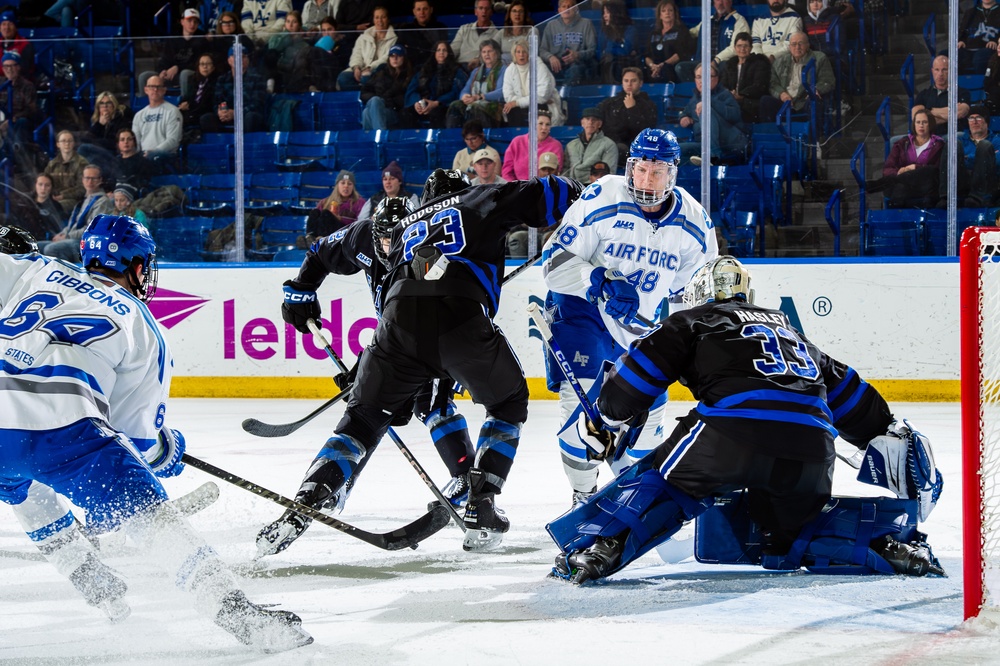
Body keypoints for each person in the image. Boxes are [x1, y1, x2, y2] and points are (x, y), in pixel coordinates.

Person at [0, 214, 313, 650]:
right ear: (138, 267)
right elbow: (138, 439)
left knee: (20, 480)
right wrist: (164, 452)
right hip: (64, 428)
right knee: (150, 519)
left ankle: (84, 572)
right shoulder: (143, 325)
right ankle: (236, 613)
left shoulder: (37, 269)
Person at [550, 256, 944, 584]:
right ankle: (885, 541)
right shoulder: (791, 332)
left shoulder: (690, 320)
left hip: (727, 435)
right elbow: (857, 402)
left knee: (663, 481)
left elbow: (632, 383)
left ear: (699, 294)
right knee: (789, 533)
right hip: (812, 448)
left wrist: (605, 417)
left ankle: (599, 548)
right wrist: (886, 430)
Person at [256, 169, 584, 556]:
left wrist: (303, 293)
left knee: (362, 420)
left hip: (396, 331)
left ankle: (308, 497)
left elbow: (332, 255)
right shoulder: (478, 198)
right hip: (458, 319)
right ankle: (482, 501)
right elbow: (554, 191)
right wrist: (595, 198)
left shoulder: (408, 223)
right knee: (507, 402)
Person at [541, 128, 719, 506]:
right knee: (582, 409)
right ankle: (583, 497)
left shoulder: (695, 222)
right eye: (640, 169)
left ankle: (631, 492)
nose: (646, 178)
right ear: (629, 168)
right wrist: (599, 278)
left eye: (656, 171)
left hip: (638, 327)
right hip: (581, 312)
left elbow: (697, 293)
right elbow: (553, 262)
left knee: (649, 422)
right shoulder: (604, 195)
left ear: (672, 174)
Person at [868, 109, 944, 209]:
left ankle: (882, 183)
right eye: (918, 122)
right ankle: (897, 221)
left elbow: (937, 168)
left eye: (925, 122)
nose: (921, 125)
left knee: (929, 171)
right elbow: (888, 168)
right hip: (905, 187)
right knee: (900, 187)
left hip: (926, 186)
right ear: (914, 124)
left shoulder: (938, 144)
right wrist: (898, 172)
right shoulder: (902, 143)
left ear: (931, 124)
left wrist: (914, 167)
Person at [679, 62, 748, 165]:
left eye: (708, 76)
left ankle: (713, 156)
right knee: (676, 150)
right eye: (698, 77)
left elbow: (735, 115)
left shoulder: (725, 94)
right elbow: (685, 112)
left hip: (730, 143)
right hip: (704, 145)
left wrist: (709, 103)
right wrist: (684, 117)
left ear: (716, 79)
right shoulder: (695, 98)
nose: (702, 81)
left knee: (706, 111)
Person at [41, 165, 114, 263]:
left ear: (100, 180)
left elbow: (92, 229)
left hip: (87, 243)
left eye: (94, 179)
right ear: (82, 180)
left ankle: (64, 276)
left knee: (51, 249)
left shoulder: (103, 201)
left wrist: (67, 236)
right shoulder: (84, 200)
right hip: (72, 238)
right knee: (36, 247)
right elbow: (72, 224)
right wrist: (61, 234)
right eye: (87, 178)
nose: (90, 182)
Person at [759, 31, 834, 123]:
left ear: (808, 45)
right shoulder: (780, 62)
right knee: (765, 101)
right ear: (789, 47)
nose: (797, 47)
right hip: (785, 102)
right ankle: (772, 134)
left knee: (814, 101)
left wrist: (815, 89)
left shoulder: (819, 58)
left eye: (801, 43)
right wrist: (781, 93)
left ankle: (813, 135)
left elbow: (828, 80)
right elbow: (773, 83)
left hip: (804, 101)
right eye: (794, 44)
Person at [138, 8, 208, 99]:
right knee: (144, 76)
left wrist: (178, 68)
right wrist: (162, 71)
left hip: (190, 75)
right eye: (189, 20)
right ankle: (146, 108)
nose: (192, 24)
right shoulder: (173, 37)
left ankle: (185, 104)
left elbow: (198, 64)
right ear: (182, 22)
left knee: (185, 74)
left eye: (195, 22)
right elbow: (165, 59)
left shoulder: (202, 39)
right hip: (170, 75)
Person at [400, 41, 468, 129]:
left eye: (444, 50)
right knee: (405, 113)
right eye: (438, 50)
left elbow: (456, 91)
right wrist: (416, 102)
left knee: (437, 113)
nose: (441, 53)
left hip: (443, 105)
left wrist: (436, 103)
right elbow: (412, 89)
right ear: (434, 53)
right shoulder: (424, 70)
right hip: (423, 105)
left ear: (449, 53)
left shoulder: (457, 70)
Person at [200, 46, 268, 133]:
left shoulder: (257, 79)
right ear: (229, 60)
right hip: (227, 115)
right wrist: (221, 112)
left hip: (246, 115)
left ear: (247, 60)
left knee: (251, 117)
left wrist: (236, 113)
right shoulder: (222, 79)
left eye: (243, 56)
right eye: (235, 56)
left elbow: (257, 104)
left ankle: (246, 145)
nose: (239, 59)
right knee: (206, 118)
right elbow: (217, 101)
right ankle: (219, 144)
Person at [677, 0, 749, 82]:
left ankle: (719, 92)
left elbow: (736, 47)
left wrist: (716, 60)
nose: (720, 3)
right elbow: (691, 34)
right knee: (681, 67)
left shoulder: (739, 21)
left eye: (724, 0)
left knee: (727, 66)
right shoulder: (707, 21)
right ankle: (697, 91)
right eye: (717, 0)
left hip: (722, 63)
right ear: (714, 3)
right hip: (702, 63)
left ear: (730, 1)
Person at [599, 67, 659, 164]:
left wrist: (632, 109)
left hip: (631, 147)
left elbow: (645, 132)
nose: (629, 84)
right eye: (626, 81)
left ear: (640, 83)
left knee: (618, 149)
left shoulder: (648, 105)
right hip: (609, 142)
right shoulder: (610, 103)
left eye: (633, 81)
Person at [446, 39, 507, 129]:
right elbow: (466, 89)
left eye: (490, 51)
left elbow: (502, 92)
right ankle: (453, 138)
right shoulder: (476, 71)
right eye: (484, 52)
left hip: (494, 105)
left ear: (497, 53)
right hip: (475, 102)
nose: (486, 54)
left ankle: (479, 138)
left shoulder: (503, 69)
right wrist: (465, 96)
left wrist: (480, 97)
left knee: (476, 107)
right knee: (455, 105)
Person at [502, 39, 563, 127]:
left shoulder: (539, 66)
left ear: (529, 53)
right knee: (511, 109)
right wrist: (519, 102)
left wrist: (518, 102)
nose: (521, 55)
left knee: (538, 105)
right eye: (518, 52)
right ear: (514, 54)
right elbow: (508, 97)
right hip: (523, 106)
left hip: (541, 105)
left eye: (524, 52)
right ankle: (518, 137)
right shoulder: (509, 70)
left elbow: (542, 96)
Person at [337, 5, 397, 92]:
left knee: (366, 79)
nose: (379, 21)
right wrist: (356, 67)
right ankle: (364, 93)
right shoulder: (364, 36)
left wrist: (369, 68)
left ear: (388, 19)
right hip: (361, 69)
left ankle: (365, 94)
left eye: (383, 17)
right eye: (377, 17)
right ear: (373, 19)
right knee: (343, 78)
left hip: (378, 70)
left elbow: (386, 58)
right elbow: (356, 54)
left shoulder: (394, 38)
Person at [541, 0, 598, 86]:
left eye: (570, 6)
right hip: (556, 64)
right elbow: (542, 50)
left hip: (578, 63)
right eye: (564, 6)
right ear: (559, 10)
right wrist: (550, 57)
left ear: (576, 8)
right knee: (541, 69)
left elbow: (592, 50)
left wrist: (577, 55)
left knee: (575, 69)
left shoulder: (586, 23)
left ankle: (565, 95)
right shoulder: (551, 25)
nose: (567, 9)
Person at [912, 55, 972, 136]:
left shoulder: (961, 92)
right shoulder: (923, 94)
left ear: (950, 71)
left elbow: (960, 112)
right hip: (928, 136)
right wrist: (950, 114)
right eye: (937, 70)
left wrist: (929, 111)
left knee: (958, 137)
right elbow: (916, 118)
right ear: (932, 71)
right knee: (893, 141)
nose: (940, 74)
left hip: (951, 136)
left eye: (944, 70)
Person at [132, 76, 183, 167]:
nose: (155, 90)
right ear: (146, 90)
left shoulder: (172, 111)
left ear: (164, 90)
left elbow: (173, 140)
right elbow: (136, 141)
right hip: (143, 155)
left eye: (158, 87)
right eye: (151, 86)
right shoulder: (139, 115)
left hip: (164, 156)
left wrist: (154, 152)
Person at [721, 32, 771, 123]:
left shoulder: (759, 63)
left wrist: (741, 95)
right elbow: (723, 84)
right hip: (730, 100)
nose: (742, 49)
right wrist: (730, 94)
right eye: (739, 46)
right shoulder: (729, 64)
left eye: (746, 46)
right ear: (735, 48)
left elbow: (759, 86)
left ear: (751, 48)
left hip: (749, 102)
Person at [360, 44, 412, 131]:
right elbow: (364, 92)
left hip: (395, 112)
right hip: (378, 107)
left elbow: (406, 98)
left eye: (398, 55)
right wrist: (379, 102)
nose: (395, 59)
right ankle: (380, 136)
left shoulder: (409, 75)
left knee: (367, 112)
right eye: (392, 56)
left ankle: (374, 139)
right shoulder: (381, 73)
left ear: (404, 58)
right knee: (373, 103)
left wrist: (386, 101)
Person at [501, 109, 565, 180]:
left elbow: (556, 172)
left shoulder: (556, 146)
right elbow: (507, 172)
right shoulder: (517, 142)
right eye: (540, 123)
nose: (544, 128)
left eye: (547, 124)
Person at [957, 105, 1000, 206]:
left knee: (984, 145)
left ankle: (977, 197)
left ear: (986, 122)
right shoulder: (960, 141)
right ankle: (947, 197)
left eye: (979, 117)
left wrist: (967, 157)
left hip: (987, 187)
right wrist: (982, 158)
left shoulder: (996, 141)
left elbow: (997, 162)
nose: (974, 121)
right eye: (971, 118)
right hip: (964, 184)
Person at [644, 0, 695, 84]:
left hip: (671, 67)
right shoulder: (654, 33)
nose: (667, 13)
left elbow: (681, 53)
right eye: (664, 11)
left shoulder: (681, 31)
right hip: (654, 67)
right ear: (660, 15)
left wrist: (662, 65)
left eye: (670, 10)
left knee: (666, 70)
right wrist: (652, 65)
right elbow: (647, 55)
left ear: (675, 13)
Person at [562, 107, 619, 181]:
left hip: (594, 187)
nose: (590, 122)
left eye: (594, 120)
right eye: (587, 119)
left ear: (600, 124)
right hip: (573, 187)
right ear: (582, 123)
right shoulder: (571, 145)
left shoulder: (609, 145)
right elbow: (566, 170)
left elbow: (608, 174)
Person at [266, 10, 312, 93]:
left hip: (294, 72)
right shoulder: (277, 37)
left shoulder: (304, 43)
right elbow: (273, 49)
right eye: (288, 21)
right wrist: (288, 36)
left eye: (294, 22)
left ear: (299, 25)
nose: (290, 25)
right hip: (277, 70)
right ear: (284, 24)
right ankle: (270, 83)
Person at [44, 130, 90, 212]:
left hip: (75, 201)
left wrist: (63, 195)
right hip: (54, 199)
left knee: (54, 208)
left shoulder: (82, 163)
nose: (67, 143)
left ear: (74, 143)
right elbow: (45, 182)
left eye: (70, 141)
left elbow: (83, 188)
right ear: (58, 144)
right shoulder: (52, 164)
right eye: (63, 141)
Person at [395, 0, 448, 70]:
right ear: (414, 12)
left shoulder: (440, 28)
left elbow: (443, 51)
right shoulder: (406, 29)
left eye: (425, 9)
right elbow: (398, 50)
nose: (422, 12)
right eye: (418, 9)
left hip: (434, 68)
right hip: (411, 69)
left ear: (431, 10)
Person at [597, 0, 640, 85]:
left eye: (607, 12)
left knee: (614, 61)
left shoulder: (630, 29)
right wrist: (617, 44)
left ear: (616, 13)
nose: (604, 16)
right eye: (603, 13)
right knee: (608, 60)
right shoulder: (603, 31)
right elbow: (600, 52)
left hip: (624, 63)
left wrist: (611, 47)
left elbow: (625, 51)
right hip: (607, 64)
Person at [0, 52, 37, 149]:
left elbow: (31, 110)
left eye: (12, 66)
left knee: (22, 122)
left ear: (18, 67)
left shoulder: (27, 86)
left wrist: (12, 119)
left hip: (18, 121)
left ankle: (17, 150)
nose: (9, 69)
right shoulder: (0, 83)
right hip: (1, 120)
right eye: (6, 66)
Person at [450, 0, 501, 71]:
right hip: (460, 69)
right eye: (481, 8)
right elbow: (453, 50)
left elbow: (493, 56)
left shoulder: (497, 34)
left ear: (491, 12)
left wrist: (479, 60)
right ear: (475, 11)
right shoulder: (464, 29)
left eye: (487, 8)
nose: (484, 11)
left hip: (481, 69)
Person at [84, 91, 135, 156]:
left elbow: (116, 142)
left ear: (114, 105)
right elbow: (87, 139)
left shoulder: (122, 118)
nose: (105, 106)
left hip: (116, 154)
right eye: (101, 103)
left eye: (108, 103)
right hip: (101, 152)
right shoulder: (98, 122)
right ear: (98, 107)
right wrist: (99, 124)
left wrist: (95, 142)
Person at [958, 0, 1000, 74]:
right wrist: (961, 40)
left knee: (979, 57)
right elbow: (962, 31)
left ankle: (985, 83)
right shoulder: (970, 12)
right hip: (968, 49)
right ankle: (958, 84)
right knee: (944, 55)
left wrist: (996, 41)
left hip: (989, 50)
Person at [178, 53, 220, 126]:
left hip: (204, 112)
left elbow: (208, 103)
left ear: (213, 66)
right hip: (192, 110)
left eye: (208, 64)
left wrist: (190, 105)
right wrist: (183, 103)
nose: (205, 66)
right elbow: (187, 96)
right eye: (202, 64)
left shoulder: (217, 81)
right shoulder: (194, 80)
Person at [114, 128, 153, 193]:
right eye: (122, 140)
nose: (126, 142)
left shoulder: (142, 161)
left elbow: (142, 183)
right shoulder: (115, 161)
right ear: (118, 144)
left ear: (134, 142)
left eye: (129, 139)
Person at [0, 10, 34, 78]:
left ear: (16, 28)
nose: (7, 28)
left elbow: (24, 70)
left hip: (18, 81)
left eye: (10, 24)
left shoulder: (25, 44)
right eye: (3, 24)